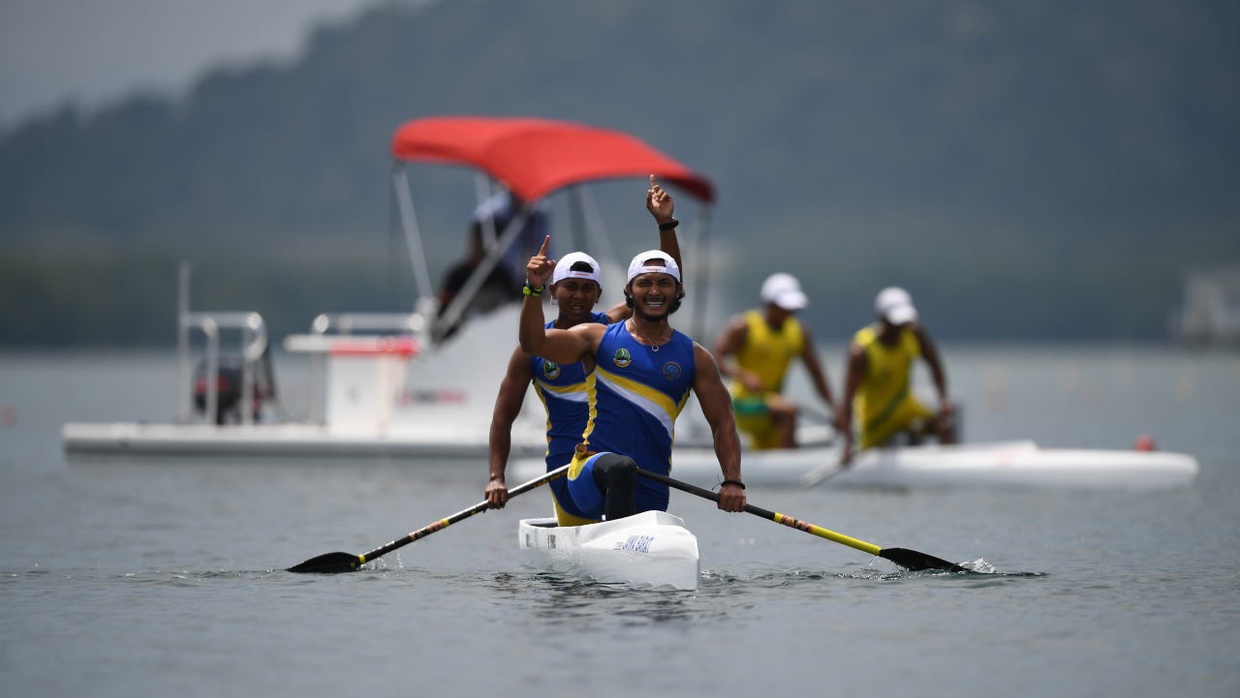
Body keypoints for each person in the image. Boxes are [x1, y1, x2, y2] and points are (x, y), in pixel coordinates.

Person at [484, 176, 685, 525]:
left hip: (620, 467)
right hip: (566, 471)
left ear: (599, 295)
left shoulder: (607, 331)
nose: (579, 296)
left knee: (621, 471)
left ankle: (622, 547)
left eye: (588, 289)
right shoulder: (531, 350)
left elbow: (663, 286)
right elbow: (503, 418)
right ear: (553, 292)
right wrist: (496, 477)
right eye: (570, 288)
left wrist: (665, 223)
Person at [515, 239, 747, 523]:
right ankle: (618, 548)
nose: (654, 291)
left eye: (664, 283)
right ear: (629, 290)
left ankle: (623, 547)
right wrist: (533, 288)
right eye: (644, 283)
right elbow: (533, 342)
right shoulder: (597, 338)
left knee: (629, 476)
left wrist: (733, 481)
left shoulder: (696, 357)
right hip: (589, 473)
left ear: (678, 290)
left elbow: (723, 424)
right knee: (621, 468)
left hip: (652, 483)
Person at [713, 272, 840, 449]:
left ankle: (778, 465)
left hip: (773, 405)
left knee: (782, 417)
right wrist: (744, 376)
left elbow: (817, 376)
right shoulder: (743, 327)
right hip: (744, 405)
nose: (789, 312)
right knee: (789, 411)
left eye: (793, 308)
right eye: (784, 306)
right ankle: (788, 467)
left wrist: (835, 410)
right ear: (768, 304)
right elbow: (715, 360)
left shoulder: (799, 333)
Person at [839, 286, 955, 465]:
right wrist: (847, 444)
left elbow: (935, 365)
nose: (901, 327)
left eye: (904, 321)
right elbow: (848, 399)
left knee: (943, 427)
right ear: (882, 319)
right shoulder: (861, 350)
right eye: (895, 322)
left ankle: (949, 467)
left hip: (905, 409)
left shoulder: (914, 334)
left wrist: (943, 399)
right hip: (875, 419)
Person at [437, 223, 520, 339]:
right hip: (461, 339)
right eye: (476, 239)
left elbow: (515, 307)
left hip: (496, 337)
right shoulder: (457, 276)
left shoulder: (503, 276)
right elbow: (443, 313)